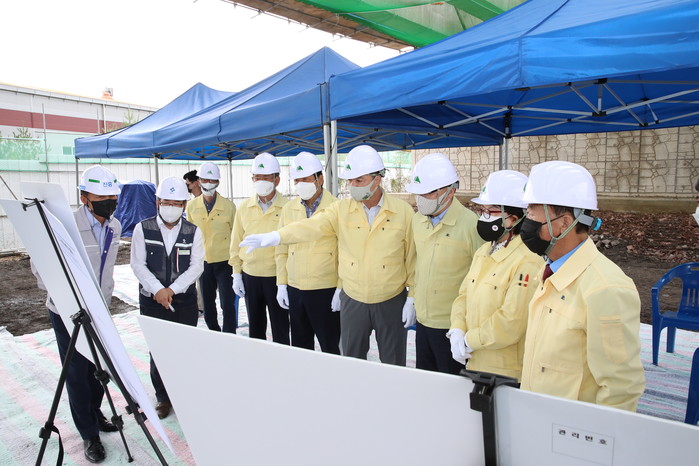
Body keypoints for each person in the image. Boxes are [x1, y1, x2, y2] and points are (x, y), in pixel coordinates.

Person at [240, 145, 416, 366]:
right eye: (350, 181)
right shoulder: (341, 209)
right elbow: (313, 225)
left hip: (390, 298)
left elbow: (412, 259)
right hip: (354, 298)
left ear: (377, 179)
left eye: (359, 180)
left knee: (393, 363)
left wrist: (412, 297)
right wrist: (277, 236)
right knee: (351, 362)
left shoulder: (403, 212)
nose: (353, 186)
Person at [518, 160, 645, 411]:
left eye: (532, 210)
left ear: (564, 223)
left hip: (569, 426)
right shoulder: (548, 270)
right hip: (536, 415)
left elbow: (621, 389)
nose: (526, 219)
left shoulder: (606, 288)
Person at [32, 165, 122, 463]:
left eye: (113, 196)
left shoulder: (115, 226)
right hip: (67, 312)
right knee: (76, 372)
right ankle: (89, 434)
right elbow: (41, 266)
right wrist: (66, 297)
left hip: (99, 309)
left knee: (98, 367)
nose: (109, 201)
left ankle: (95, 413)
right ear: (84, 197)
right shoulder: (64, 225)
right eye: (102, 196)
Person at [448, 170, 542, 380]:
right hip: (474, 362)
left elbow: (511, 322)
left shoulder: (528, 261)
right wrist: (457, 329)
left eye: (491, 211)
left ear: (515, 218)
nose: (484, 217)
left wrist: (469, 340)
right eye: (482, 210)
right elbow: (463, 295)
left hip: (505, 371)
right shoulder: (484, 251)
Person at [131, 176, 204, 419]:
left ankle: (183, 394)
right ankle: (163, 397)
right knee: (158, 349)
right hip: (152, 301)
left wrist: (171, 290)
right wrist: (157, 289)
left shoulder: (193, 231)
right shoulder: (143, 228)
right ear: (157, 202)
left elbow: (196, 266)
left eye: (176, 203)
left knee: (184, 348)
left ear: (184, 205)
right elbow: (138, 264)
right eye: (166, 202)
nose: (171, 207)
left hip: (184, 300)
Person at [405, 153, 484, 374]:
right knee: (426, 382)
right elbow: (417, 264)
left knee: (451, 384)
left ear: (450, 191)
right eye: (419, 193)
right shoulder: (417, 220)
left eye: (428, 193)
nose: (421, 198)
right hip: (423, 321)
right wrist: (411, 298)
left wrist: (468, 326)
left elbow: (480, 279)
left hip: (453, 327)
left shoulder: (471, 225)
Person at [275, 152, 340, 354]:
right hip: (296, 288)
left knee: (330, 347)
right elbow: (281, 250)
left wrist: (341, 288)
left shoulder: (336, 207)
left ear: (320, 179)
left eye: (306, 179)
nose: (301, 184)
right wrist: (281, 284)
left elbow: (345, 252)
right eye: (297, 180)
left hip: (325, 289)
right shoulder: (289, 209)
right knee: (301, 348)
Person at [230, 153, 290, 344]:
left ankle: (282, 360)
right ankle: (258, 360)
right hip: (251, 276)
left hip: (277, 277)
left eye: (266, 177)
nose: (261, 181)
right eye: (257, 177)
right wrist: (236, 274)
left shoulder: (288, 207)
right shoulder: (244, 207)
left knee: (281, 327)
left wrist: (284, 282)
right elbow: (236, 242)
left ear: (277, 180)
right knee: (255, 329)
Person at [185, 162, 238, 333]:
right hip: (203, 262)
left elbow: (236, 235)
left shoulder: (229, 206)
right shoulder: (192, 206)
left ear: (218, 182)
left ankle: (229, 334)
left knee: (227, 302)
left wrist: (237, 263)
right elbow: (189, 234)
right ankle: (213, 332)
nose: (208, 183)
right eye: (205, 179)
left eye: (212, 180)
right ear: (199, 181)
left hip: (225, 262)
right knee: (207, 303)